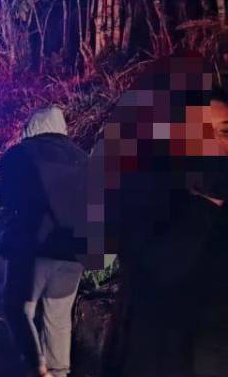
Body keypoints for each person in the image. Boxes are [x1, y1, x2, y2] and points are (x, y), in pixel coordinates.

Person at [92, 56, 228, 376]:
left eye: (225, 131)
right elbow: (159, 269)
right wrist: (206, 204)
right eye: (204, 136)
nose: (219, 147)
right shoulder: (149, 199)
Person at [0, 105, 89, 377]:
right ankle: (59, 373)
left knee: (18, 307)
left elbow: (5, 196)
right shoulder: (82, 158)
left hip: (33, 247)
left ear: (32, 126)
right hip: (74, 251)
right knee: (58, 316)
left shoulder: (21, 154)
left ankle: (38, 368)